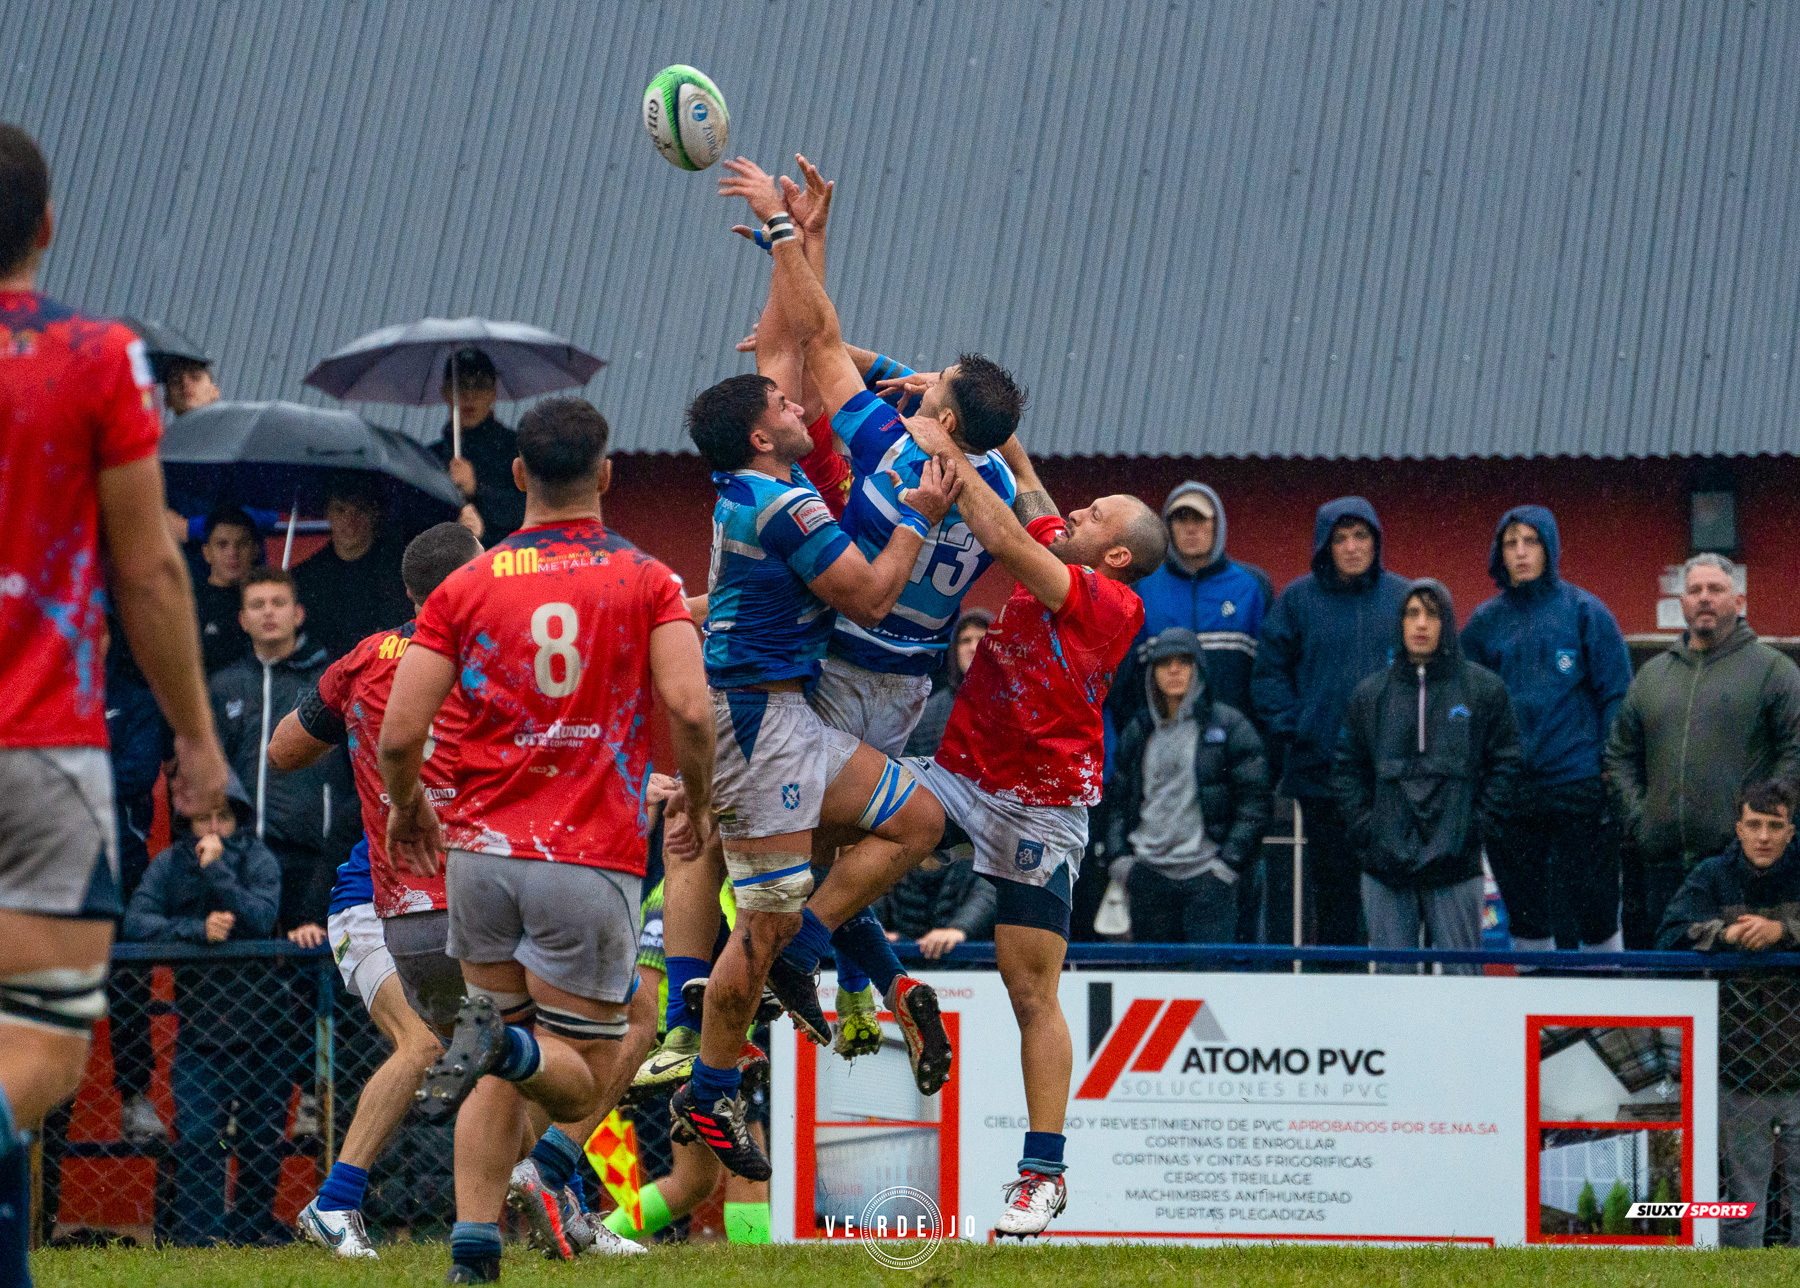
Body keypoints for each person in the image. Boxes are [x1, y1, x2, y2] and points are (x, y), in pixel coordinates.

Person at [378, 396, 711, 1283]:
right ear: (606, 475)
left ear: (518, 475)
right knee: (589, 1062)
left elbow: (399, 733)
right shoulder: (646, 578)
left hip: (478, 857)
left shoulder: (466, 585)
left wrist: (407, 801)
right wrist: (702, 799)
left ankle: (473, 1253)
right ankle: (511, 1048)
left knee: (499, 1039)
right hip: (585, 855)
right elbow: (687, 705)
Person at [710, 155, 1025, 1064]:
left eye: (939, 380)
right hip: (907, 693)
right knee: (856, 845)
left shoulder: (891, 444)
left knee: (765, 877)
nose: (922, 380)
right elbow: (836, 347)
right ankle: (875, 982)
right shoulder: (994, 480)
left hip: (840, 670)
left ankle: (734, 1018)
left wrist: (790, 235)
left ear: (946, 415)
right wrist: (805, 253)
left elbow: (818, 346)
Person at [0, 122, 227, 1285]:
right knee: (40, 1035)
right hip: (42, 744)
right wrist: (195, 737)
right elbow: (146, 568)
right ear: (46, 227)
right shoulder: (95, 357)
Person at [873, 410, 1160, 1235]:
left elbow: (1001, 529)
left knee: (1030, 989)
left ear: (1113, 555)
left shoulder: (1105, 600)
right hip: (966, 773)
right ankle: (848, 972)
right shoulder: (1067, 549)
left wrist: (946, 445)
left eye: (1094, 513)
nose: (1074, 512)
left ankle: (1044, 1174)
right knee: (854, 827)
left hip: (1042, 801)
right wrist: (993, 432)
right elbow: (1029, 491)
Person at [668, 364, 952, 1182]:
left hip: (782, 717)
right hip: (761, 727)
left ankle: (812, 949)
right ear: (760, 436)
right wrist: (919, 519)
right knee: (761, 929)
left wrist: (792, 244)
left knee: (918, 822)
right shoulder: (783, 503)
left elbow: (726, 600)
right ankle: (709, 1087)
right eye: (784, 405)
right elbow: (867, 600)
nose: (799, 406)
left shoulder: (749, 493)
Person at [265, 521, 481, 1258]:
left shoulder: (365, 658)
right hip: (375, 897)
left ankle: (557, 1198)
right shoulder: (480, 659)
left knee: (504, 1047)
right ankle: (334, 1205)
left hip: (417, 895)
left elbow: (283, 752)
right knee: (425, 1043)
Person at [1461, 506, 1633, 953]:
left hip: (1577, 783)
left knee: (1594, 905)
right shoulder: (1483, 623)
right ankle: (1542, 1020)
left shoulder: (1585, 612)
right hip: (1511, 789)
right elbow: (1467, 701)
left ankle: (1603, 1018)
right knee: (1526, 912)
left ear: (1550, 548)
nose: (1520, 552)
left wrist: (1605, 768)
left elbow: (1616, 692)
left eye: (1531, 541)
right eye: (1511, 542)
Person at [121, 776, 283, 1246]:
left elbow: (258, 916)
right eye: (202, 819)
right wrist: (194, 928)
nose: (213, 829)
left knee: (261, 1144)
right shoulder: (169, 864)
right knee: (196, 1140)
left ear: (240, 821)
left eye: (224, 817)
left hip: (265, 1032)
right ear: (185, 823)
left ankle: (250, 1237)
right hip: (201, 1036)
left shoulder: (259, 859)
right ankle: (197, 1242)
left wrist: (217, 874)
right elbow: (136, 923)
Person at [1607, 554, 1800, 942]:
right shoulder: (1652, 676)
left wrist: (1761, 826)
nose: (1704, 598)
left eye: (1716, 589)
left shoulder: (1774, 671)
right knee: (1665, 986)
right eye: (1694, 590)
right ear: (1682, 604)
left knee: (1738, 990)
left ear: (1740, 602)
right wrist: (1641, 821)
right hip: (1660, 863)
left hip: (1737, 870)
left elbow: (1796, 752)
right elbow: (1620, 756)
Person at [1332, 581, 1521, 973]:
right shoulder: (1370, 694)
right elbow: (1347, 768)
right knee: (1394, 990)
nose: (1421, 624)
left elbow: (1506, 764)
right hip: (1385, 867)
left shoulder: (1484, 690)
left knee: (1461, 988)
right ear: (1400, 623)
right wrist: (1370, 831)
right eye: (1412, 613)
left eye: (1432, 614)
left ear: (1447, 623)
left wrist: (1474, 828)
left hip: (1455, 865)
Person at [1252, 497, 1410, 949]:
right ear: (1324, 545)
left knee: (1394, 891)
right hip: (1321, 775)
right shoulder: (1298, 600)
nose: (1353, 547)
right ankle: (1340, 994)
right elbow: (1269, 674)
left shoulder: (1402, 599)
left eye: (1361, 536)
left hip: (1394, 778)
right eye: (1340, 538)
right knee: (1334, 894)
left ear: (1376, 541)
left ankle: (1400, 997)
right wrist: (1299, 729)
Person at [1656, 779, 1800, 1248]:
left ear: (1790, 831)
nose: (1763, 836)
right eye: (1754, 824)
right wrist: (1726, 936)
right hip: (1738, 1073)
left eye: (1774, 826)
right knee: (1743, 1210)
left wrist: (1784, 931)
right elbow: (1668, 936)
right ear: (1737, 828)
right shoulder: (1712, 875)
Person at [209, 569, 354, 942]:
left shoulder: (329, 681)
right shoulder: (223, 686)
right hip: (241, 855)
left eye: (278, 602)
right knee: (250, 980)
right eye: (257, 604)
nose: (268, 612)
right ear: (242, 619)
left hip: (313, 853)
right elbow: (210, 769)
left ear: (298, 613)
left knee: (310, 972)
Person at [1104, 628, 1271, 944]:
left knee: (1208, 985)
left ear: (1199, 669)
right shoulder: (1138, 731)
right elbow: (1117, 801)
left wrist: (1226, 866)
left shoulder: (1230, 726)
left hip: (1208, 877)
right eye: (1164, 662)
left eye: (1184, 661)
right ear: (1152, 672)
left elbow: (1255, 803)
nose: (1175, 670)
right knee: (1152, 987)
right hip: (1147, 875)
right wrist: (1121, 863)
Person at [1112, 482, 1272, 728]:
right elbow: (1123, 678)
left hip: (1233, 741)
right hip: (1161, 738)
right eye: (1181, 520)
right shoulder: (1142, 589)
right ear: (1168, 528)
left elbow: (1271, 672)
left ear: (1216, 525)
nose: (1190, 528)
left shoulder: (1252, 586)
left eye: (1199, 519)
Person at [292, 476, 414, 662]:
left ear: (375, 513)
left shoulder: (402, 568)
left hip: (388, 667)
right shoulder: (305, 576)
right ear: (327, 513)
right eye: (340, 510)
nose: (350, 520)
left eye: (360, 510)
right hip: (326, 673)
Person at [430, 348, 527, 544]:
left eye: (480, 385)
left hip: (504, 562)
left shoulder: (518, 449)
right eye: (460, 386)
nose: (470, 395)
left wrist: (477, 489)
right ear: (446, 393)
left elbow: (529, 510)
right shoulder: (431, 458)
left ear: (493, 393)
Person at [904, 610, 993, 758]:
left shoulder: (1019, 707)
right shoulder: (927, 714)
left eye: (982, 639)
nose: (973, 648)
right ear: (954, 650)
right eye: (966, 640)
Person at [192, 506, 259, 674]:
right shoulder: (189, 603)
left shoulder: (267, 601)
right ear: (207, 553)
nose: (233, 552)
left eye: (242, 544)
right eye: (222, 545)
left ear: (255, 550)